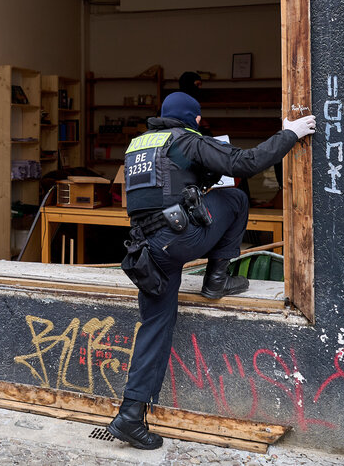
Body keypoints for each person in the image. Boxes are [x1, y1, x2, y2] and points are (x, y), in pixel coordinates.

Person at [108, 92, 315, 450]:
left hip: (148, 251)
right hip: (181, 237)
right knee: (236, 199)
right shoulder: (187, 139)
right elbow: (246, 162)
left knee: (155, 326)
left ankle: (129, 416)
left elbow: (162, 189)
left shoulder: (138, 146)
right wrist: (291, 133)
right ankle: (216, 280)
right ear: (196, 119)